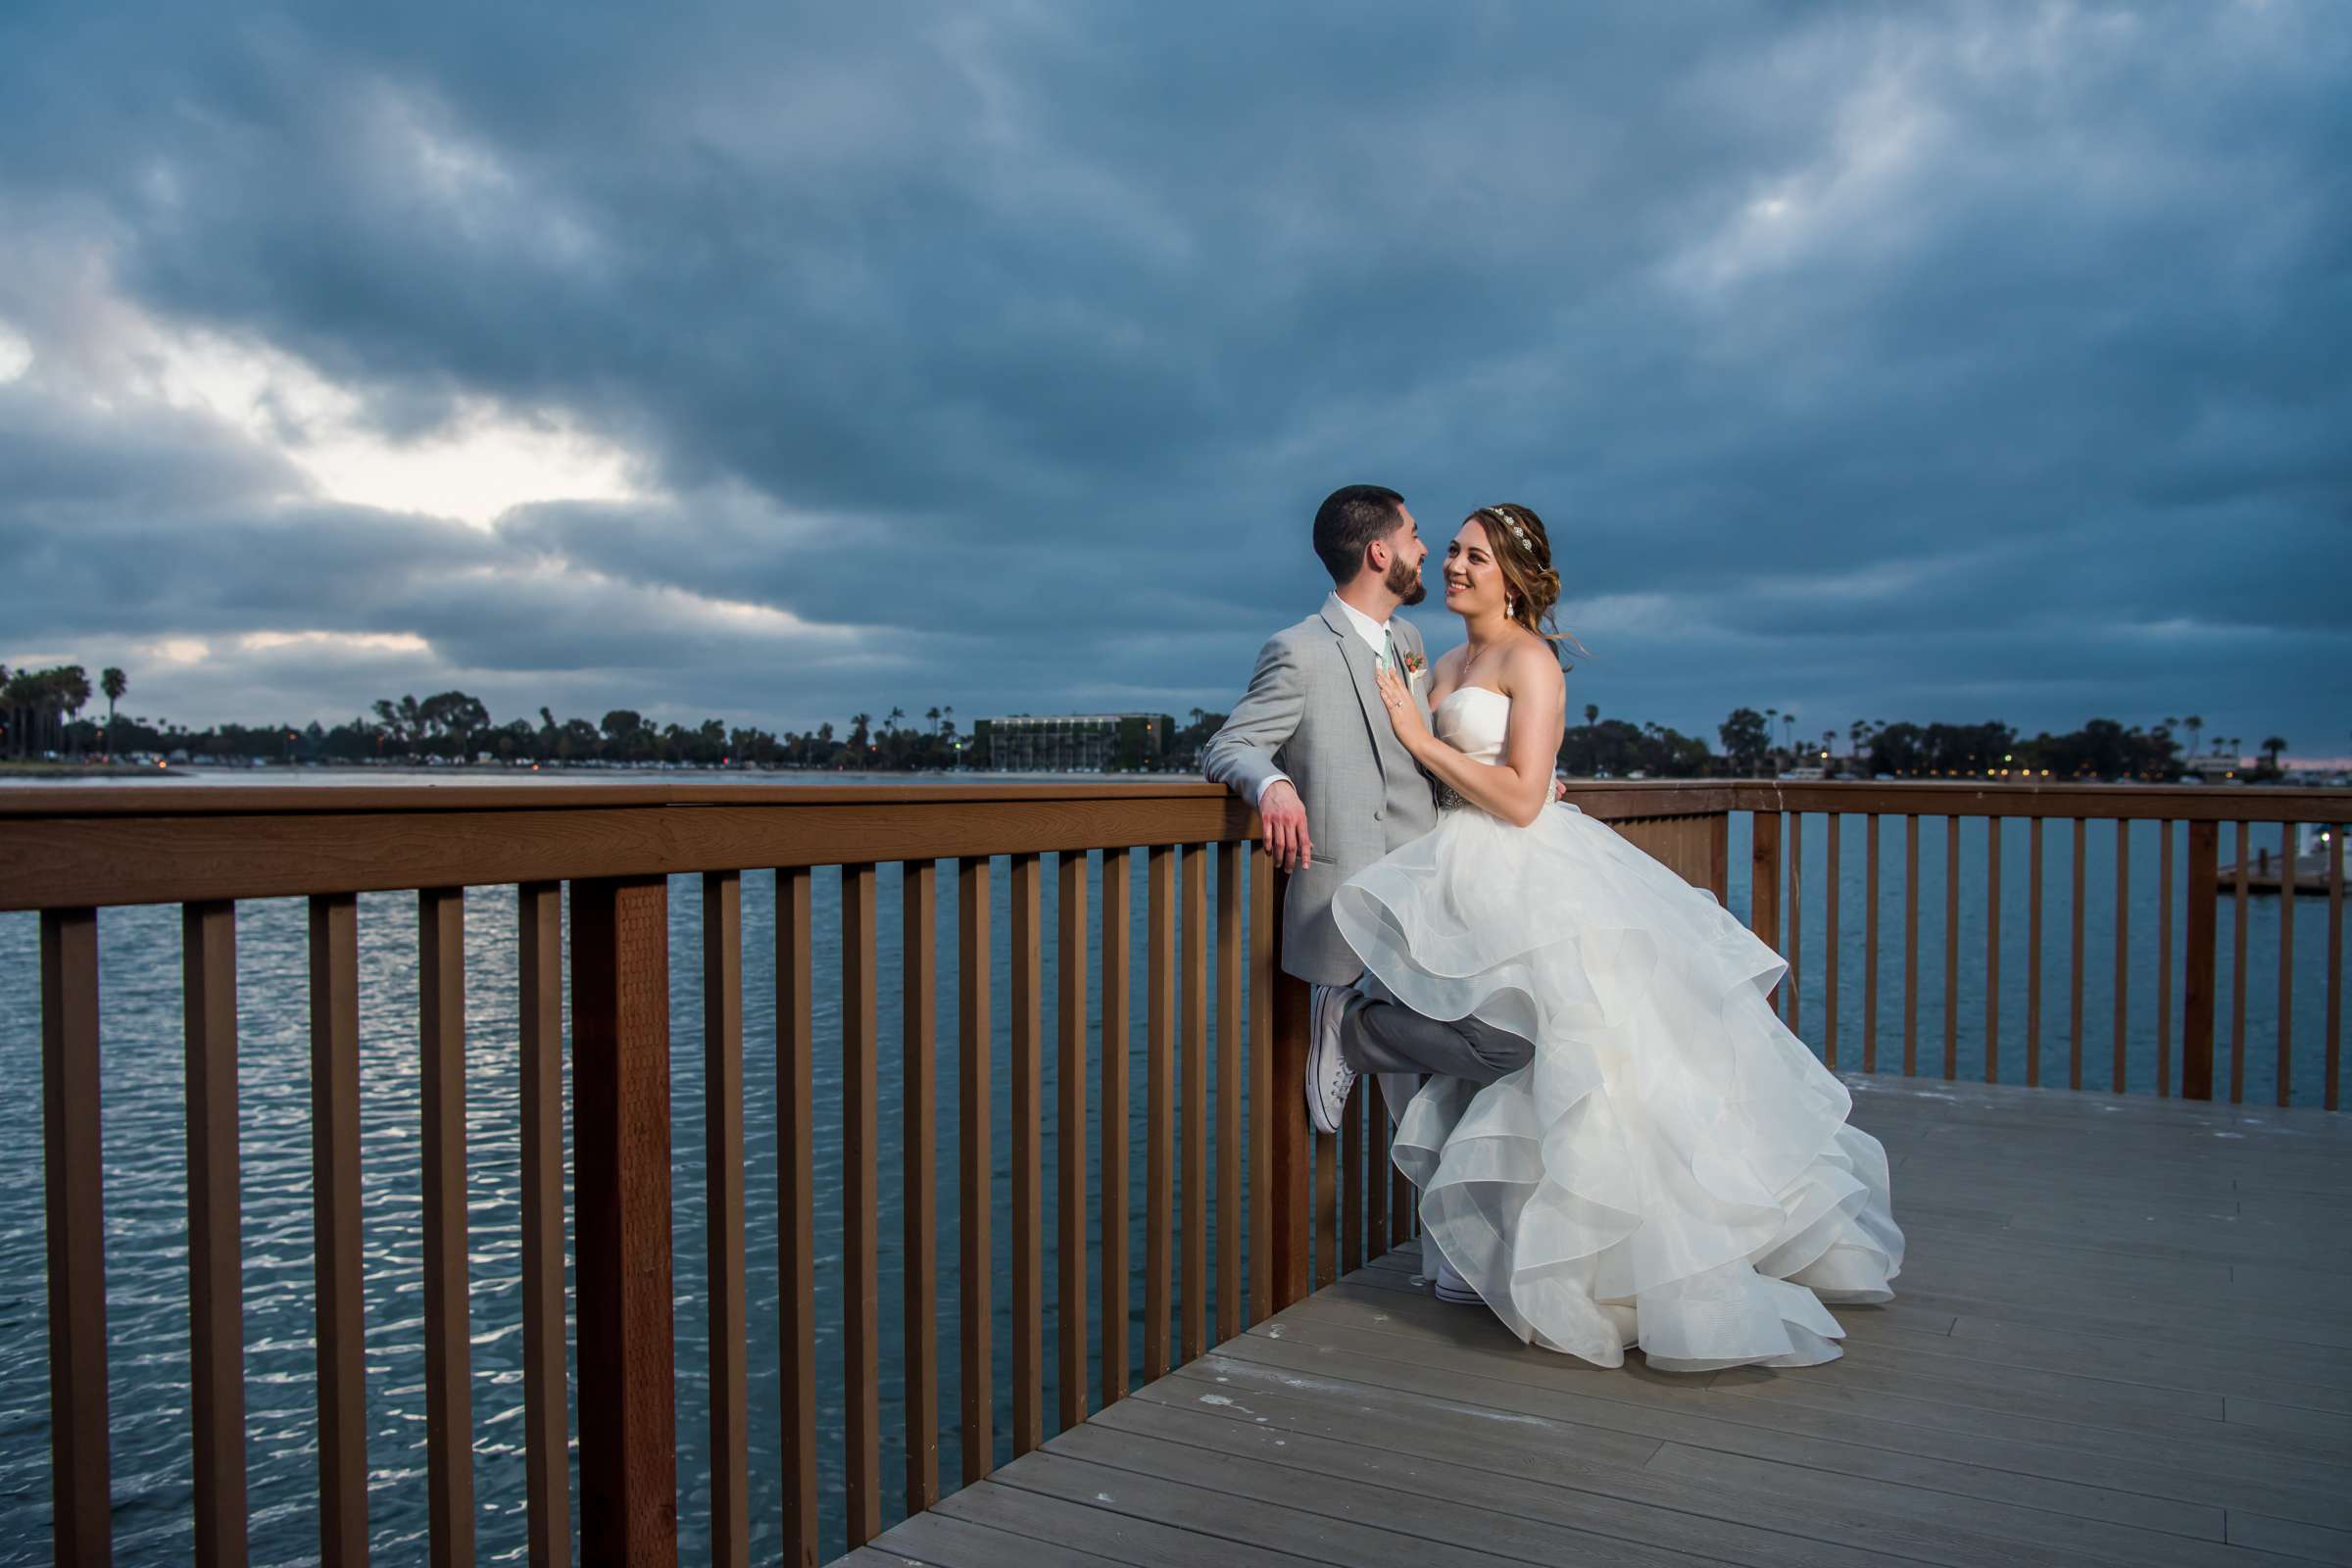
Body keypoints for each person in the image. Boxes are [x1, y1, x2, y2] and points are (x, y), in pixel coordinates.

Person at [1332, 503, 1903, 1371]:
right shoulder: (1439, 657)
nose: (1454, 565)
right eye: (1450, 549)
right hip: (1449, 871)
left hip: (1525, 868)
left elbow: (1522, 795)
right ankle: (1475, 1257)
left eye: (1475, 557)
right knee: (1518, 1063)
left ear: (1515, 577)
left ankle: (1357, 1033)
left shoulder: (1532, 659)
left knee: (1533, 1049)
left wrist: (1423, 737)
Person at [1202, 487, 1552, 1308]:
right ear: (1380, 554)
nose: (1431, 552)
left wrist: (1521, 779)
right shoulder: (1299, 650)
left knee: (1491, 1056)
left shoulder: (1411, 640)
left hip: (1440, 891)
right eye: (1420, 537)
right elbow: (1231, 743)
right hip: (1354, 911)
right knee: (1418, 1105)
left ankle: (1353, 1037)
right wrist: (1274, 785)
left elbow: (1430, 761)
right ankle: (1457, 1266)